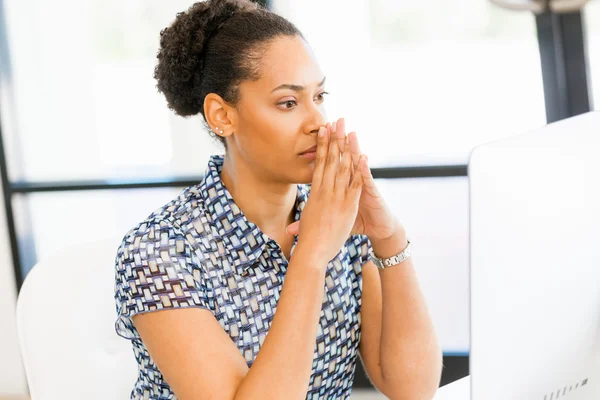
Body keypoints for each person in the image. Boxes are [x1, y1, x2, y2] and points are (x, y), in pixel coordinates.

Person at [113, 0, 443, 398]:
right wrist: (312, 255)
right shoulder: (158, 253)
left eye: (319, 96)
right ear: (222, 115)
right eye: (288, 102)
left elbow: (413, 388)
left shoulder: (334, 215)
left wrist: (388, 236)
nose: (318, 122)